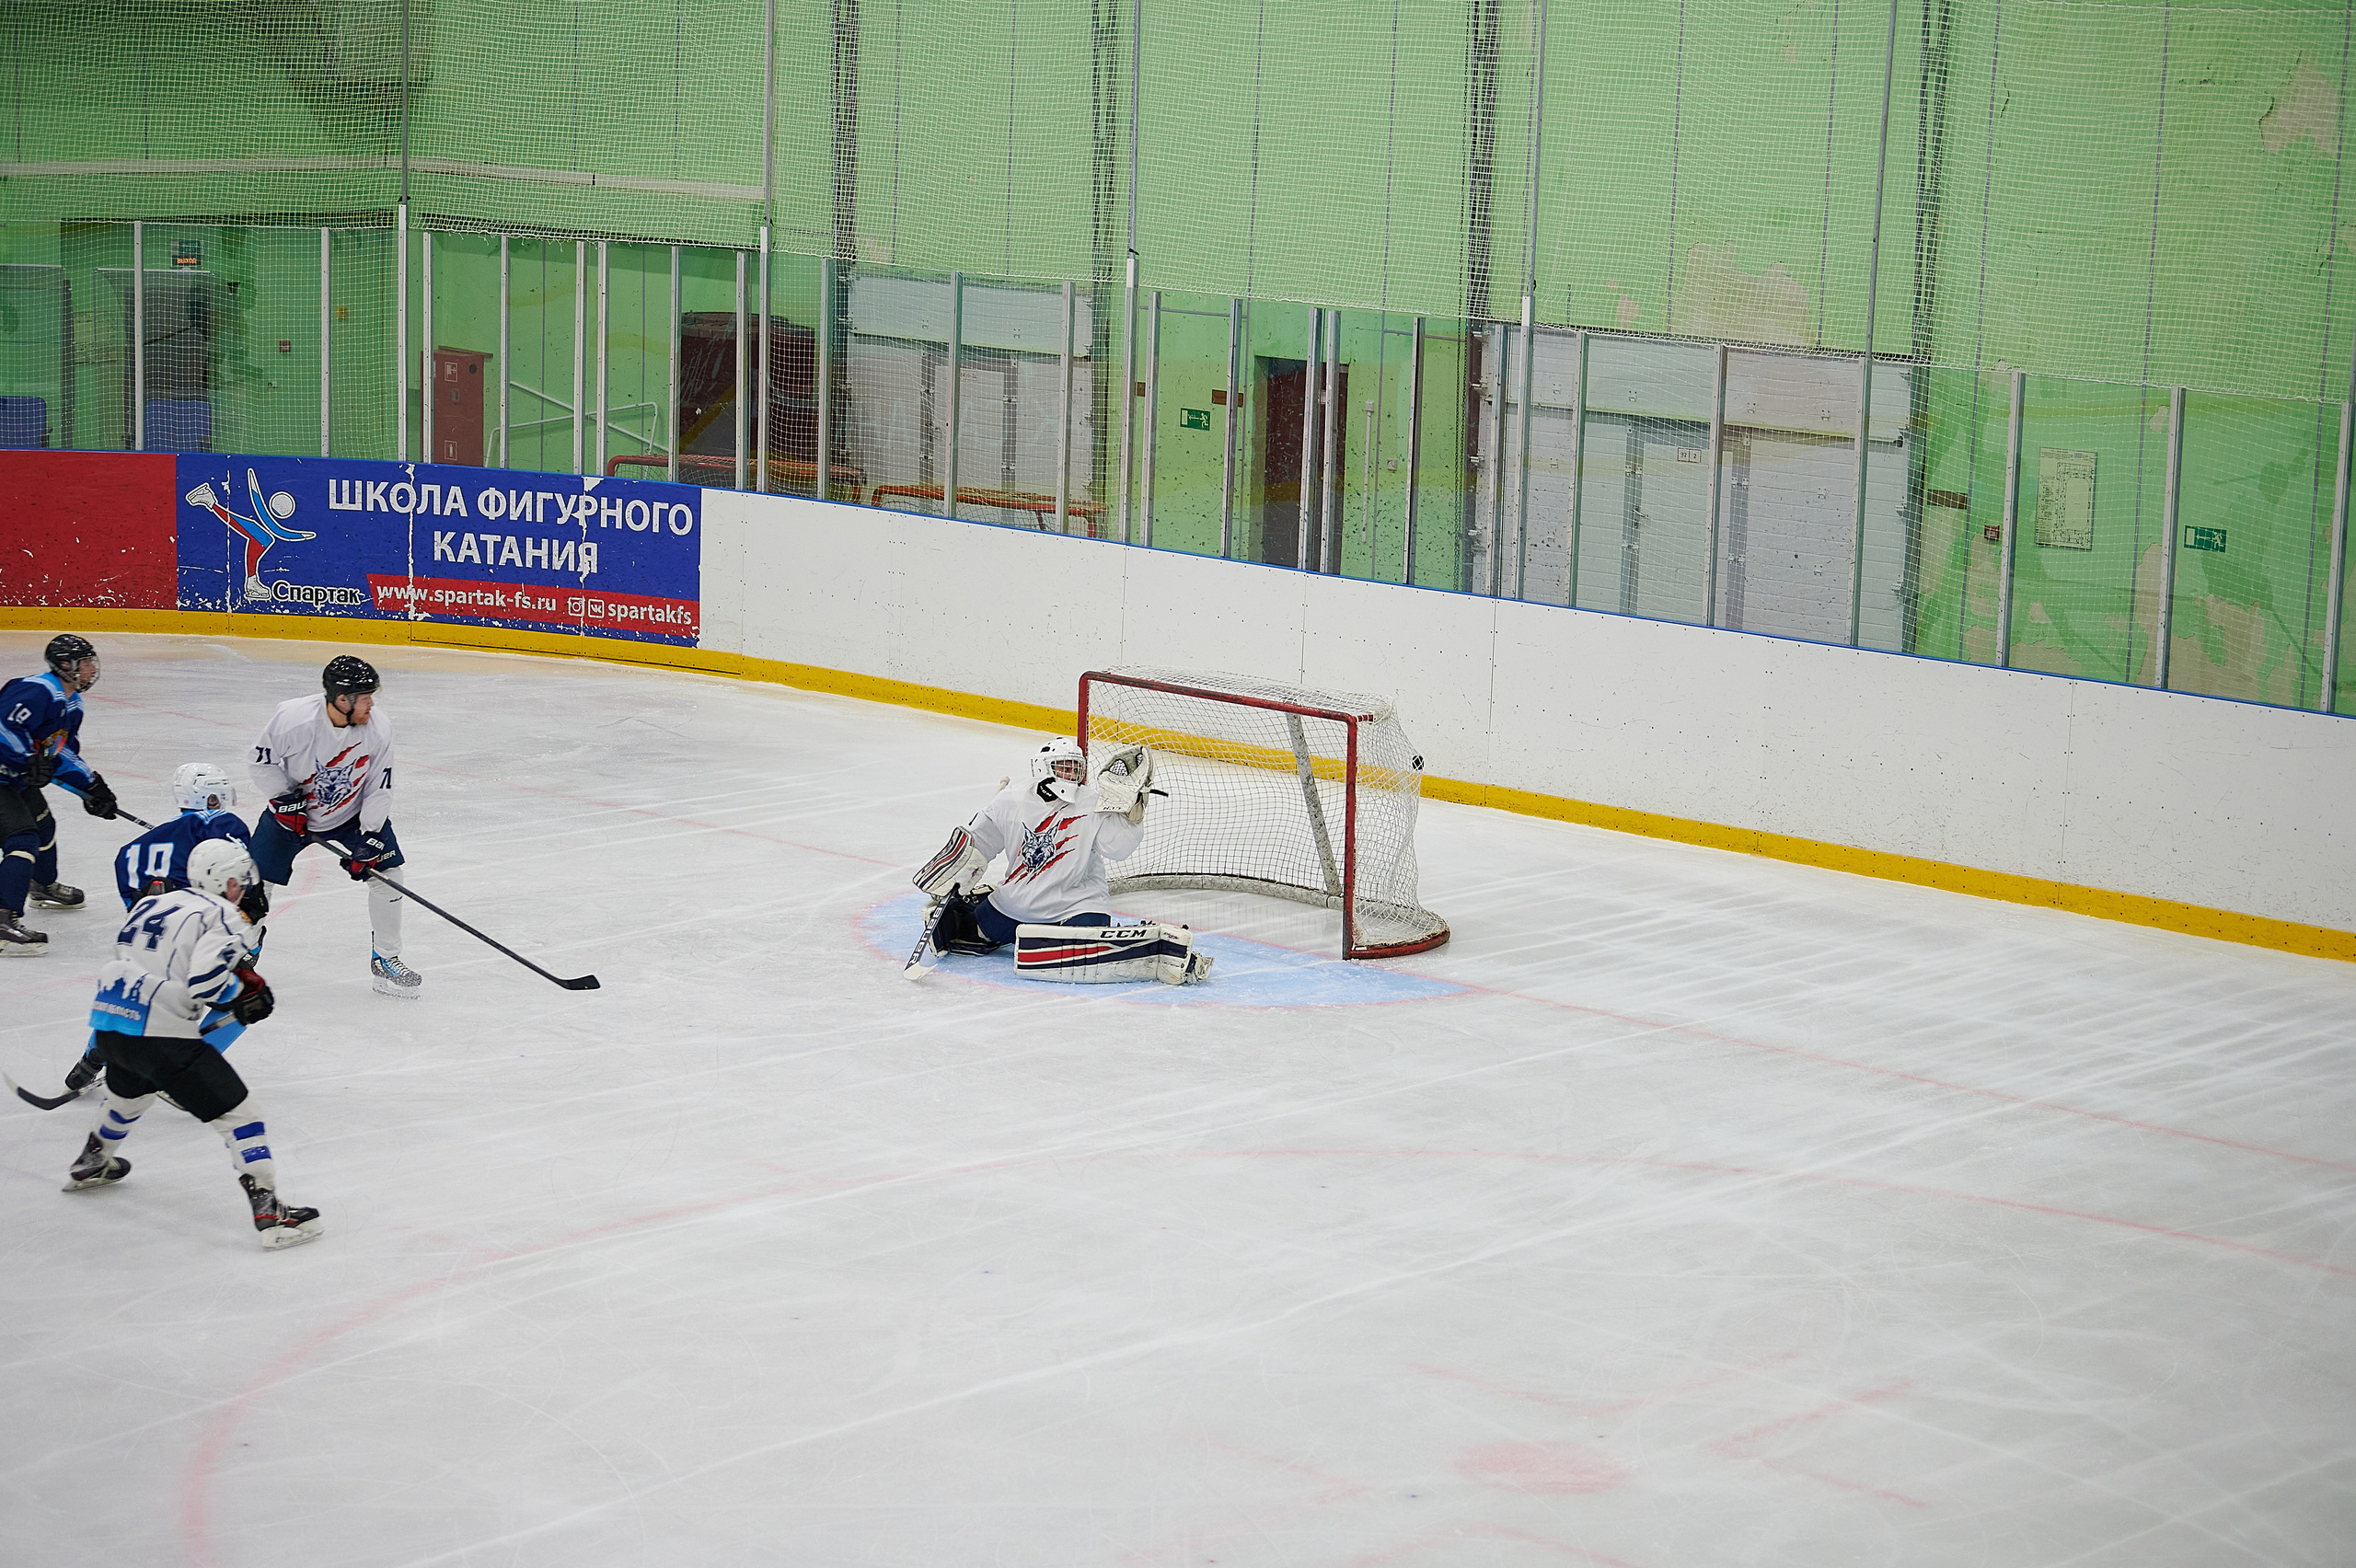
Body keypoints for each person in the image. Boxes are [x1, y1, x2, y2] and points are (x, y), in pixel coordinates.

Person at [63, 838, 322, 1250]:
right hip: (163, 1036)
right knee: (242, 1116)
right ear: (229, 881)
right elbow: (204, 982)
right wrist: (243, 992)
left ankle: (92, 1160)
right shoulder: (222, 914)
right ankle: (271, 1212)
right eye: (241, 882)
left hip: (111, 1028)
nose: (245, 890)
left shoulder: (153, 902)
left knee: (128, 1096)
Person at [913, 738, 1210, 985]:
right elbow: (979, 843)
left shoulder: (1093, 801)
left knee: (1087, 948)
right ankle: (980, 907)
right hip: (1017, 901)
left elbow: (1117, 849)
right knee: (970, 935)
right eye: (1063, 766)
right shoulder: (1011, 799)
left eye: (1075, 768)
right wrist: (955, 875)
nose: (1070, 774)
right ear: (1041, 767)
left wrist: (1130, 813)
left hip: (1078, 902)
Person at [248, 654, 422, 998]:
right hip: (291, 817)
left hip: (352, 815)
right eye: (365, 696)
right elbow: (260, 761)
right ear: (342, 699)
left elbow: (378, 785)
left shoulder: (379, 728)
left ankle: (386, 959)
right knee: (254, 884)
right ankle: (243, 952)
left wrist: (371, 835)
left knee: (390, 878)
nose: (372, 703)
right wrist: (283, 800)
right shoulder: (293, 720)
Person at [0, 633, 121, 953]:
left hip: (15, 779)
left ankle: (41, 885)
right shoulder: (36, 691)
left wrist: (91, 786)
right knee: (22, 839)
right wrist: (26, 760)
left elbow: (60, 752)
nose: (91, 669)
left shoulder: (72, 704)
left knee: (43, 826)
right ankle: (3, 921)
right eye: (85, 663)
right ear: (65, 665)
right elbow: (3, 727)